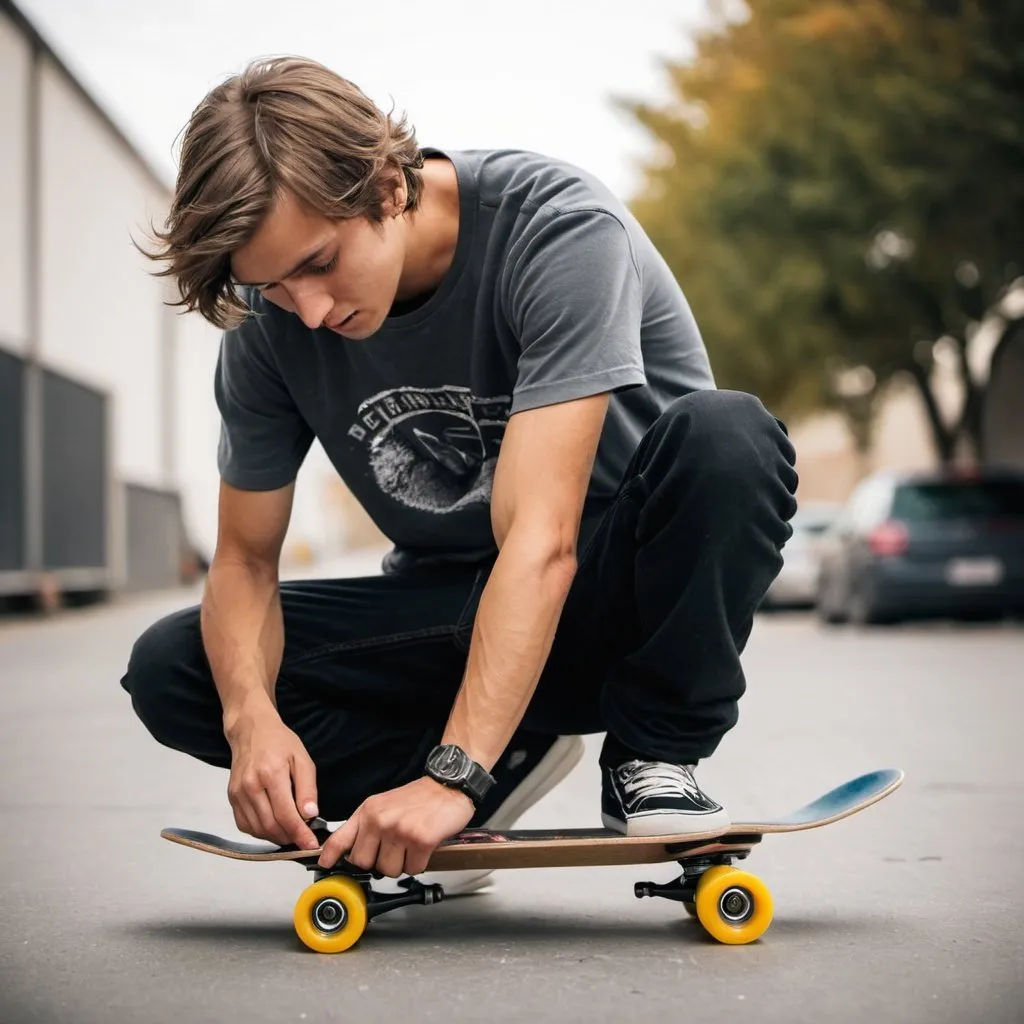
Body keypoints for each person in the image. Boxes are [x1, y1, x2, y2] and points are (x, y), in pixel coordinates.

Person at [121, 56, 798, 888]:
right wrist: (251, 720)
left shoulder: (556, 230)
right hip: (449, 610)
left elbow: (543, 542)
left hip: (608, 603)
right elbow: (244, 562)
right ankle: (486, 766)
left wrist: (454, 776)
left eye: (321, 263)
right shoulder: (271, 325)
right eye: (274, 284)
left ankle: (650, 756)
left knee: (730, 434)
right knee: (177, 666)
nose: (310, 310)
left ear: (386, 187)